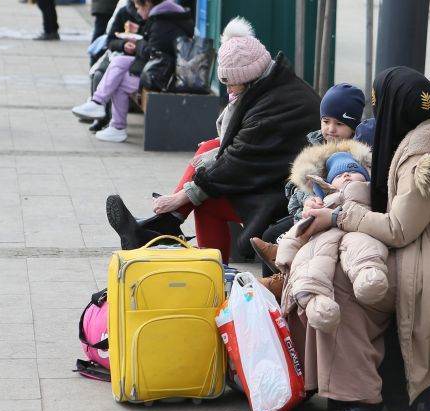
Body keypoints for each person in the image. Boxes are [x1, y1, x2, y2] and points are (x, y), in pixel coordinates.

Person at [287, 67, 430, 411]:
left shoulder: (425, 161)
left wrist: (339, 217)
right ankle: (324, 382)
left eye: (379, 102)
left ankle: (358, 395)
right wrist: (331, 199)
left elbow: (399, 229)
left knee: (342, 283)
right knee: (332, 266)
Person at [105, 17, 321, 263]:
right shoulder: (272, 85)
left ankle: (210, 269)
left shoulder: (272, 109)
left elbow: (236, 162)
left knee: (207, 201)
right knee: (210, 151)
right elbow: (239, 150)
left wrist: (183, 196)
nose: (228, 91)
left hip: (286, 193)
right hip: (275, 174)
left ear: (249, 77)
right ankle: (169, 226)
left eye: (232, 84)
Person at [250, 83, 366, 277]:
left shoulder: (357, 152)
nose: (330, 129)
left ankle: (282, 282)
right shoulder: (315, 144)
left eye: (339, 124)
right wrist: (305, 199)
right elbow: (295, 186)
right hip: (307, 210)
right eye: (326, 121)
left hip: (335, 215)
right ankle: (274, 290)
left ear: (353, 127)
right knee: (271, 234)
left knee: (282, 239)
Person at [275, 143, 390, 335]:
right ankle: (316, 302)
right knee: (311, 260)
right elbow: (300, 229)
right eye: (338, 175)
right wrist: (287, 251)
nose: (346, 176)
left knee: (364, 246)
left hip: (357, 230)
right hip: (325, 235)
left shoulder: (371, 193)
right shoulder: (324, 200)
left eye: (353, 171)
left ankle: (368, 275)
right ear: (327, 185)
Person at [72, 0, 194, 142]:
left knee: (120, 81)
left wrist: (138, 43)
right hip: (164, 70)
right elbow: (156, 50)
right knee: (119, 62)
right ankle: (98, 103)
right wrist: (136, 40)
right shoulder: (166, 16)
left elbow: (153, 53)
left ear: (147, 4)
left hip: (165, 78)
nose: (138, 12)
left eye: (138, 8)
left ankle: (116, 126)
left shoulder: (163, 22)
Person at [87, 0, 146, 132]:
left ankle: (116, 124)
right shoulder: (124, 12)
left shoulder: (151, 16)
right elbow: (110, 41)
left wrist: (138, 38)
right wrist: (123, 45)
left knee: (118, 77)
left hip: (139, 61)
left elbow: (150, 43)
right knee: (99, 74)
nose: (137, 8)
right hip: (119, 55)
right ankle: (101, 116)